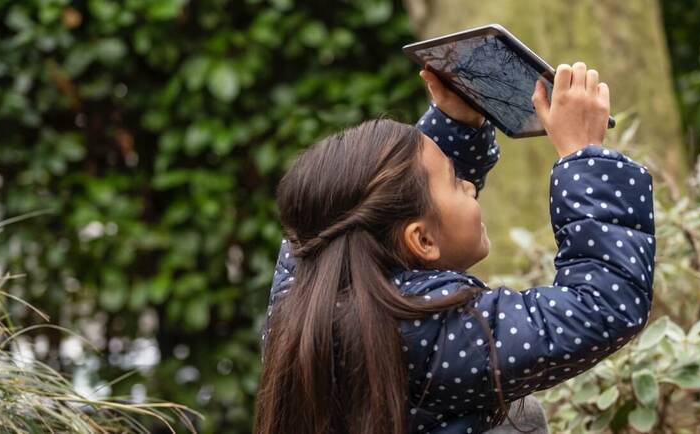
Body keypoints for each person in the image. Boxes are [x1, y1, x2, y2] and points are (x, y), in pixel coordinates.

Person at [255, 61, 655, 434]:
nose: (467, 184)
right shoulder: (425, 333)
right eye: (454, 179)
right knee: (519, 416)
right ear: (422, 241)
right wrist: (583, 156)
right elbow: (601, 306)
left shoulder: (306, 276)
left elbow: (382, 201)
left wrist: (456, 123)